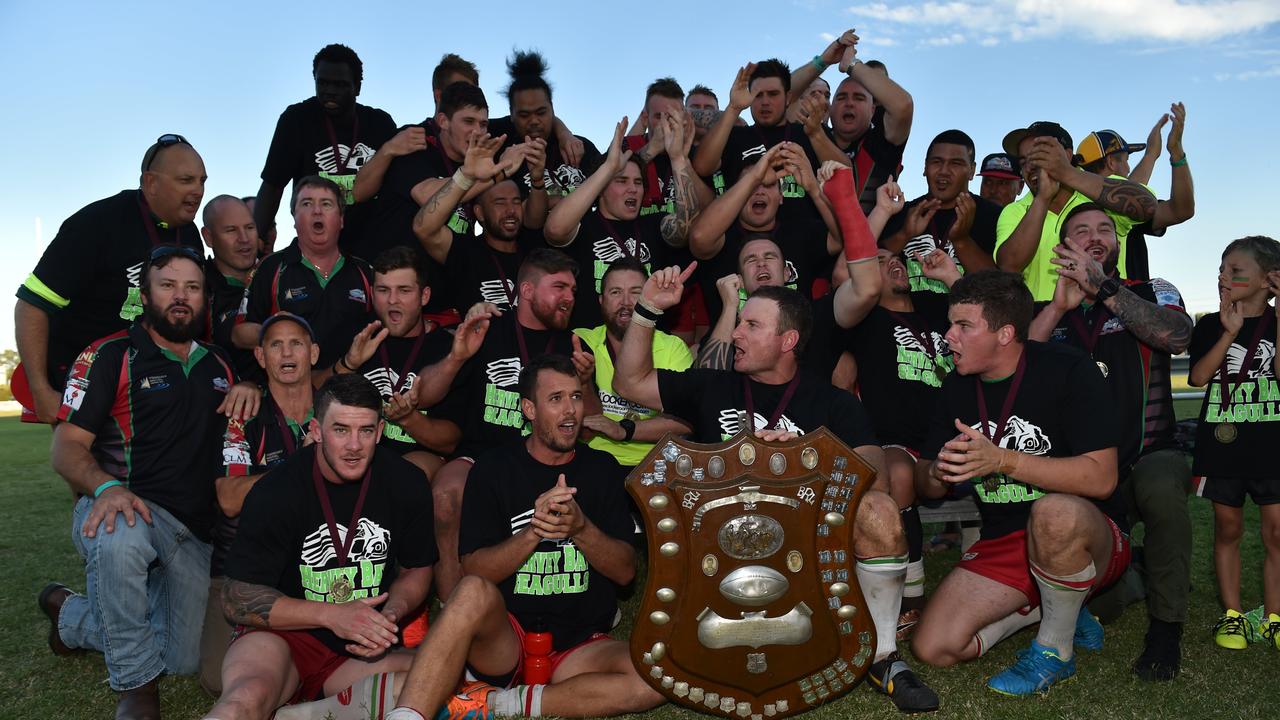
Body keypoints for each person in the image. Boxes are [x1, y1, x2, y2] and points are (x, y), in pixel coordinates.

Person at [612, 264, 940, 712]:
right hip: (719, 553)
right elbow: (627, 382)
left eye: (752, 324)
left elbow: (877, 483)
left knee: (880, 511)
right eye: (740, 322)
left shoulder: (833, 404)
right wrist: (648, 308)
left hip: (802, 548)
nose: (737, 334)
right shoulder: (712, 386)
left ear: (787, 341)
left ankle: (881, 654)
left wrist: (806, 458)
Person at [380, 355, 662, 720]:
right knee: (469, 593)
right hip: (506, 639)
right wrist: (534, 531)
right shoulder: (494, 469)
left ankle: (500, 705)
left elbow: (626, 573)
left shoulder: (601, 469)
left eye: (576, 397)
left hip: (576, 643)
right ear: (529, 408)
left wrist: (580, 528)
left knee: (658, 678)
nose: (570, 411)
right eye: (556, 399)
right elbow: (475, 570)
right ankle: (407, 716)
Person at [38, 247, 239, 719]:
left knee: (181, 658)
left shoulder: (220, 366)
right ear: (145, 295)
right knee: (121, 534)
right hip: (125, 507)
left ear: (205, 298)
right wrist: (106, 488)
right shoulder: (110, 354)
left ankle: (69, 615)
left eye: (192, 287)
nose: (181, 297)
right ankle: (135, 686)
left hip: (191, 532)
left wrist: (247, 387)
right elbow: (65, 448)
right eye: (168, 285)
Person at [909, 270, 1128, 697]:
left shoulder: (1068, 369)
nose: (948, 336)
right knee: (934, 647)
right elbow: (925, 481)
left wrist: (1003, 460)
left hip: (1088, 533)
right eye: (950, 323)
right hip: (1006, 539)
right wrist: (937, 473)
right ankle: (1059, 606)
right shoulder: (956, 385)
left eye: (963, 326)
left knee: (1054, 511)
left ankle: (1054, 650)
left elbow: (1102, 478)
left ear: (1005, 333)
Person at [1028, 203, 1195, 679]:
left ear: (1118, 243)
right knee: (1103, 606)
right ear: (1064, 247)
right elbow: (1020, 372)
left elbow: (1178, 336)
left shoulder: (1152, 288)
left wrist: (1103, 286)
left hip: (1149, 452)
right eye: (1081, 230)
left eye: (1105, 228)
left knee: (1163, 493)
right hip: (1081, 466)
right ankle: (1132, 573)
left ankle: (1166, 630)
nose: (1096, 235)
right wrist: (1059, 307)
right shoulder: (1048, 306)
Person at [207, 374, 437, 720]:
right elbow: (235, 596)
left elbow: (418, 568)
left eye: (365, 431)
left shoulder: (406, 482)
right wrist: (332, 616)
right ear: (315, 431)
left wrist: (389, 616)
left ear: (380, 432)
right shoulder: (276, 491)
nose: (354, 446)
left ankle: (311, 712)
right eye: (340, 430)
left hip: (360, 644)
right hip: (285, 636)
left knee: (438, 681)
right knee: (243, 700)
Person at [411, 249, 591, 597]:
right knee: (446, 496)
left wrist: (585, 381)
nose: (569, 297)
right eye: (559, 287)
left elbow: (587, 420)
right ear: (526, 291)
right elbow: (425, 397)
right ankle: (454, 608)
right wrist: (457, 356)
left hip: (545, 458)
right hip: (482, 452)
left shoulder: (572, 344)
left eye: (572, 289)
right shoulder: (487, 331)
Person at [15, 135, 205, 423]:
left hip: (146, 379)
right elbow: (31, 304)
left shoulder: (189, 234)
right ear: (151, 182)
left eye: (202, 181)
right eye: (186, 180)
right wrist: (41, 391)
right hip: (84, 377)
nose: (198, 190)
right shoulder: (97, 223)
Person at [841, 247, 960, 639]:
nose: (892, 261)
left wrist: (949, 276)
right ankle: (913, 599)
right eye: (876, 259)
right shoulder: (864, 320)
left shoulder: (937, 306)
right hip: (898, 440)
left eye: (895, 256)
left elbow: (989, 317)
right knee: (897, 474)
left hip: (957, 433)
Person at [200, 312, 320, 695]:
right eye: (275, 345)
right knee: (218, 680)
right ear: (260, 356)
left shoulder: (336, 412)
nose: (287, 353)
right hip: (245, 571)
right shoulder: (243, 416)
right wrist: (302, 466)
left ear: (313, 353)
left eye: (296, 343)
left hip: (320, 564)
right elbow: (230, 499)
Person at [1187, 235, 1280, 653]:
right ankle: (1233, 614)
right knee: (1228, 528)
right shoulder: (1210, 323)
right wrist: (1229, 333)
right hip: (1222, 445)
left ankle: (1274, 617)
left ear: (1269, 279)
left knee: (1277, 532)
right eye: (1222, 269)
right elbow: (1199, 378)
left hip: (1271, 446)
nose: (1224, 277)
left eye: (1236, 271)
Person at [544, 116, 699, 329]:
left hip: (647, 347)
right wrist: (608, 168)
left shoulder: (653, 224)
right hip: (592, 352)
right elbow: (554, 229)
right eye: (621, 181)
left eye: (638, 182)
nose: (633, 189)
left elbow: (686, 227)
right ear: (601, 189)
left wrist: (678, 158)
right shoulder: (583, 225)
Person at [253, 44, 403, 255]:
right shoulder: (296, 119)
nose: (330, 91)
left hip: (370, 247)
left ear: (357, 87)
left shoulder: (380, 124)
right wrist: (256, 238)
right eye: (322, 83)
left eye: (340, 85)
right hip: (314, 247)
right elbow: (273, 185)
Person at [993, 121, 1157, 300]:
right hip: (1042, 323)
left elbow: (1148, 206)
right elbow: (1009, 266)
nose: (1030, 167)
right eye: (1023, 162)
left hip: (1106, 322)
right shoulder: (1014, 211)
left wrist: (1066, 173)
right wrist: (1042, 199)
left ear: (1067, 155)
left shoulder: (1097, 195)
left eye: (1039, 157)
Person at [335, 247, 461, 478]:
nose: (393, 300)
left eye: (404, 290)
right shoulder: (358, 334)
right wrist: (348, 364)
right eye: (383, 290)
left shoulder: (448, 347)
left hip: (417, 463)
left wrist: (407, 418)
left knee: (404, 473)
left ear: (424, 296)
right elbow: (315, 391)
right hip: (353, 453)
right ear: (372, 293)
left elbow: (451, 440)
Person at [232, 176, 374, 377]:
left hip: (351, 394)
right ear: (294, 217)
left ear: (341, 219)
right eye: (307, 203)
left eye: (326, 204)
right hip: (290, 392)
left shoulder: (365, 272)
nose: (317, 211)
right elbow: (239, 334)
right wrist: (279, 330)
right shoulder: (271, 267)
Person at [687, 141, 839, 325]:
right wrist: (755, 176)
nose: (759, 191)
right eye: (751, 185)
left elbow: (842, 239)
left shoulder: (801, 231)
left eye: (768, 185)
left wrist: (814, 189)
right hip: (732, 348)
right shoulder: (722, 237)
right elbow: (699, 238)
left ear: (781, 196)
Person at [574, 257, 693, 467]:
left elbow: (686, 422)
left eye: (636, 292)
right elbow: (579, 425)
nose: (626, 302)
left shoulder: (673, 348)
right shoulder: (582, 341)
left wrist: (623, 429)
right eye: (615, 292)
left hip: (655, 466)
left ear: (649, 297)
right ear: (601, 301)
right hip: (593, 463)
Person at [412, 132, 544, 314]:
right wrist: (466, 176)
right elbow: (423, 227)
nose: (510, 210)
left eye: (516, 201)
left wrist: (538, 179)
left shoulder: (534, 253)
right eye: (499, 202)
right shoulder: (465, 251)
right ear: (479, 213)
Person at [1075, 103, 1195, 281]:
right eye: (1126, 160)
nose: (1129, 167)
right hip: (1123, 302)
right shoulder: (1131, 206)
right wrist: (1176, 152)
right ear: (1111, 163)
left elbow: (1129, 188)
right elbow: (1182, 210)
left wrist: (1151, 155)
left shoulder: (1073, 201)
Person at [880, 130, 1000, 300]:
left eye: (956, 163)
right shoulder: (901, 212)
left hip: (968, 323)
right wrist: (904, 235)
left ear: (972, 171)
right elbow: (867, 268)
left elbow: (1000, 286)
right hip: (908, 324)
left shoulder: (994, 215)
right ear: (925, 167)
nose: (944, 171)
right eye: (937, 162)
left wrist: (962, 241)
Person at [500, 50, 602, 206]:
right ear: (511, 115)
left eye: (541, 112)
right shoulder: (501, 154)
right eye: (524, 115)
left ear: (552, 109)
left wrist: (565, 133)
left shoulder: (581, 147)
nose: (534, 121)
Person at [824, 38, 914, 212]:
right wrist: (822, 61)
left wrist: (851, 64)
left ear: (873, 108)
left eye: (859, 98)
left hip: (872, 237)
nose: (849, 103)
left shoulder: (882, 143)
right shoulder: (810, 135)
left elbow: (903, 105)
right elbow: (791, 195)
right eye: (841, 97)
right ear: (830, 107)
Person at [201, 195, 261, 379]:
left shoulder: (276, 273)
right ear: (208, 237)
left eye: (250, 228)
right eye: (231, 230)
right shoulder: (197, 285)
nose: (244, 239)